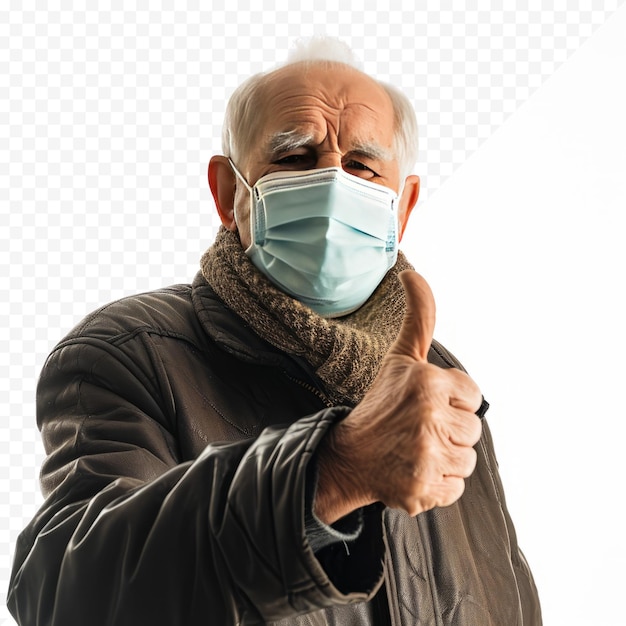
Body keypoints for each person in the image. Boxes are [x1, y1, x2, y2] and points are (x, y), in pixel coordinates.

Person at [7, 37, 542, 625]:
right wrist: (333, 469)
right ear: (228, 193)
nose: (334, 184)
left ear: (402, 206)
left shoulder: (444, 386)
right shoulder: (130, 353)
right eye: (295, 158)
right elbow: (67, 598)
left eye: (362, 166)